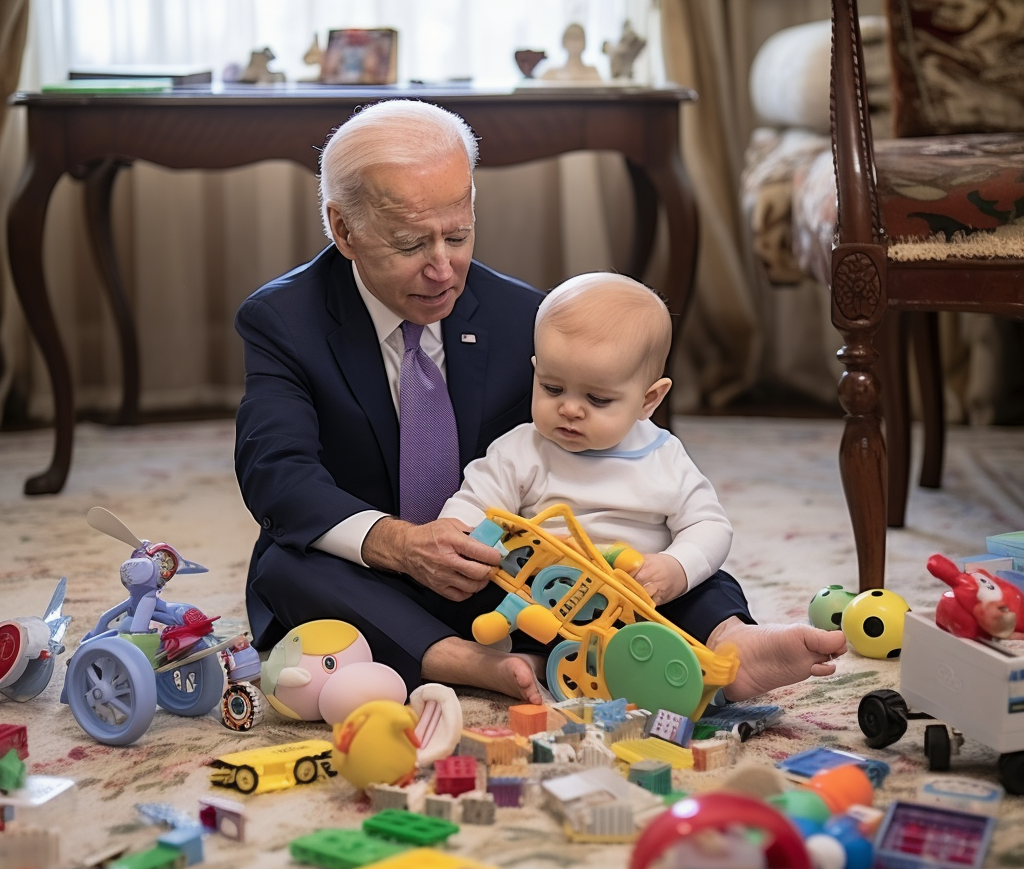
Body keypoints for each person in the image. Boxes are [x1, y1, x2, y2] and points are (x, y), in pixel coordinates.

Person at [234, 99, 842, 711]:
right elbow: (276, 473)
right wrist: (398, 543)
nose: (443, 268)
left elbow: (603, 461)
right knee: (287, 564)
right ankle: (463, 662)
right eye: (411, 243)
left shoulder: (523, 315)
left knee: (636, 540)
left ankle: (732, 643)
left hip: (508, 577)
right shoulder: (285, 321)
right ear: (344, 230)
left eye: (460, 234)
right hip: (371, 571)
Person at [440, 273, 848, 702]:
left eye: (598, 400)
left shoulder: (663, 457)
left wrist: (674, 568)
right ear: (536, 371)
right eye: (552, 388)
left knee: (712, 587)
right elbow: (472, 506)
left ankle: (734, 644)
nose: (570, 409)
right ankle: (532, 664)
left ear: (648, 400)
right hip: (549, 599)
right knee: (485, 597)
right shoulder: (521, 450)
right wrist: (456, 530)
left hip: (644, 598)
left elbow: (709, 525)